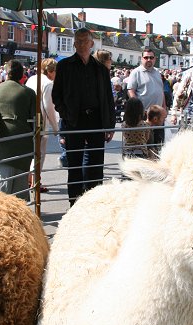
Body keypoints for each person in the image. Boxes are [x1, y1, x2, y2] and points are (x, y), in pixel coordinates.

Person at [52, 28, 115, 207]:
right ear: (74, 44)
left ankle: (93, 206)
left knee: (96, 167)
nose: (80, 45)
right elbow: (56, 96)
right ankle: (75, 206)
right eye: (77, 41)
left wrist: (109, 125)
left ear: (91, 43)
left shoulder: (101, 69)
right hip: (74, 121)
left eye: (84, 41)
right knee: (74, 168)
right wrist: (66, 114)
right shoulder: (64, 66)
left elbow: (108, 99)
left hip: (96, 120)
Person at [0, 59, 36, 201]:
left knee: (0, 188)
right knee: (19, 189)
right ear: (21, 74)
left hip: (0, 144)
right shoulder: (28, 93)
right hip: (22, 144)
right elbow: (36, 120)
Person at [26, 58, 59, 193]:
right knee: (40, 155)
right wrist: (55, 127)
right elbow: (48, 107)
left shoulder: (32, 79)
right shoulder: (48, 83)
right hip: (41, 122)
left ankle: (30, 180)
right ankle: (35, 182)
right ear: (51, 72)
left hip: (28, 120)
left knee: (31, 153)